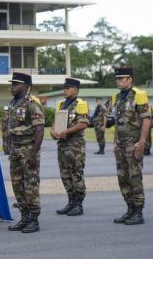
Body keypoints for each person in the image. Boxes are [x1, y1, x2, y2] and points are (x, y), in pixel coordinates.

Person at [110, 67, 151, 225]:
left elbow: (146, 120)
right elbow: (118, 121)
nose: (118, 81)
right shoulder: (118, 97)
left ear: (130, 79)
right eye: (117, 78)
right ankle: (130, 209)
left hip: (133, 143)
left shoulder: (138, 95)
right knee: (123, 178)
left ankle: (138, 211)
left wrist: (141, 142)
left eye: (121, 78)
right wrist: (114, 141)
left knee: (134, 178)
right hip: (121, 144)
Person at [6, 72, 45, 234]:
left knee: (30, 185)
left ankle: (34, 219)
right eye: (12, 84)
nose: (12, 87)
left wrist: (33, 154)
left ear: (27, 87)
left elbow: (40, 129)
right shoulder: (14, 103)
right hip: (15, 149)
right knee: (17, 184)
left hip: (28, 149)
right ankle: (24, 216)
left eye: (16, 84)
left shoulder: (31, 103)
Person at [51, 78, 89, 216]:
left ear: (75, 89)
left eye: (68, 88)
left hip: (75, 145)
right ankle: (71, 201)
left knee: (76, 173)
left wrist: (65, 131)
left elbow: (83, 124)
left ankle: (78, 204)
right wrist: (53, 130)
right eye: (64, 88)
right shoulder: (61, 104)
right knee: (65, 174)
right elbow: (56, 122)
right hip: (62, 144)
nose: (64, 90)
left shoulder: (80, 104)